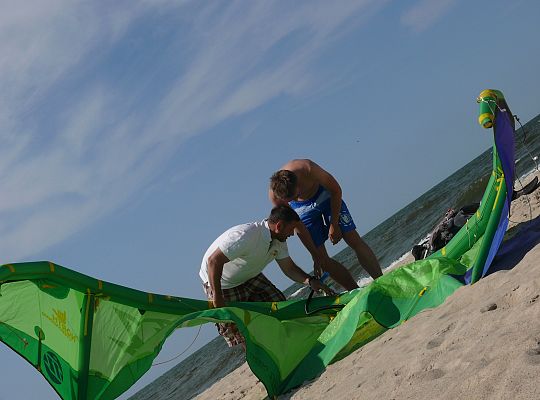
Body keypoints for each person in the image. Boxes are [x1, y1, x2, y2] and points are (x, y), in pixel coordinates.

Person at [200, 205, 334, 348]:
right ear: (279, 226)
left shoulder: (279, 241)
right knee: (241, 332)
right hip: (222, 283)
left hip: (249, 276)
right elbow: (213, 261)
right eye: (291, 229)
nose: (293, 234)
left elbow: (289, 268)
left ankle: (293, 345)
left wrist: (310, 281)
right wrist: (217, 296)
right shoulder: (246, 235)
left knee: (280, 307)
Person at [269, 159, 382, 291]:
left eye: (295, 196)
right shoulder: (275, 196)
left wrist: (334, 224)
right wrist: (314, 253)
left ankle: (381, 282)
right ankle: (355, 292)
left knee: (352, 239)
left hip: (326, 196)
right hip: (301, 212)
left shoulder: (308, 169)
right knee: (322, 261)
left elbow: (336, 190)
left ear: (298, 185)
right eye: (290, 201)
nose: (293, 200)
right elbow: (295, 223)